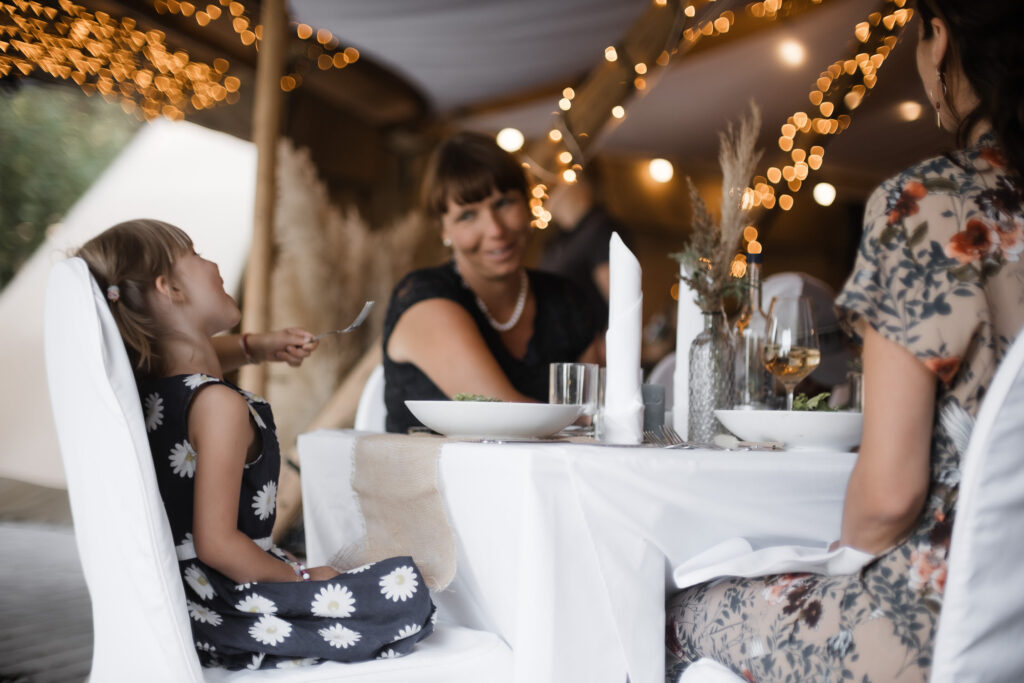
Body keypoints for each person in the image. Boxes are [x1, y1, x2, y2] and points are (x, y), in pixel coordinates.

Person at [665, 1, 1024, 680]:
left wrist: (847, 545)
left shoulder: (928, 204)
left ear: (939, 38)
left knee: (678, 610)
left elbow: (887, 501)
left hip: (935, 619)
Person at [76, 219, 434, 670]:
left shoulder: (151, 388)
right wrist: (299, 578)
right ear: (170, 288)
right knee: (403, 589)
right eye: (194, 252)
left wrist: (255, 347)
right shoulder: (218, 406)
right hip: (226, 603)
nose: (213, 262)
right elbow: (217, 544)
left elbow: (188, 352)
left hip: (189, 598)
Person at [383, 132, 601, 434]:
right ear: (443, 229)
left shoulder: (566, 299)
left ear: (527, 205)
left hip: (548, 478)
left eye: (503, 203)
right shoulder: (425, 299)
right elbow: (508, 420)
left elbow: (600, 409)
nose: (495, 230)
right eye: (468, 215)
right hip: (434, 480)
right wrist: (587, 420)